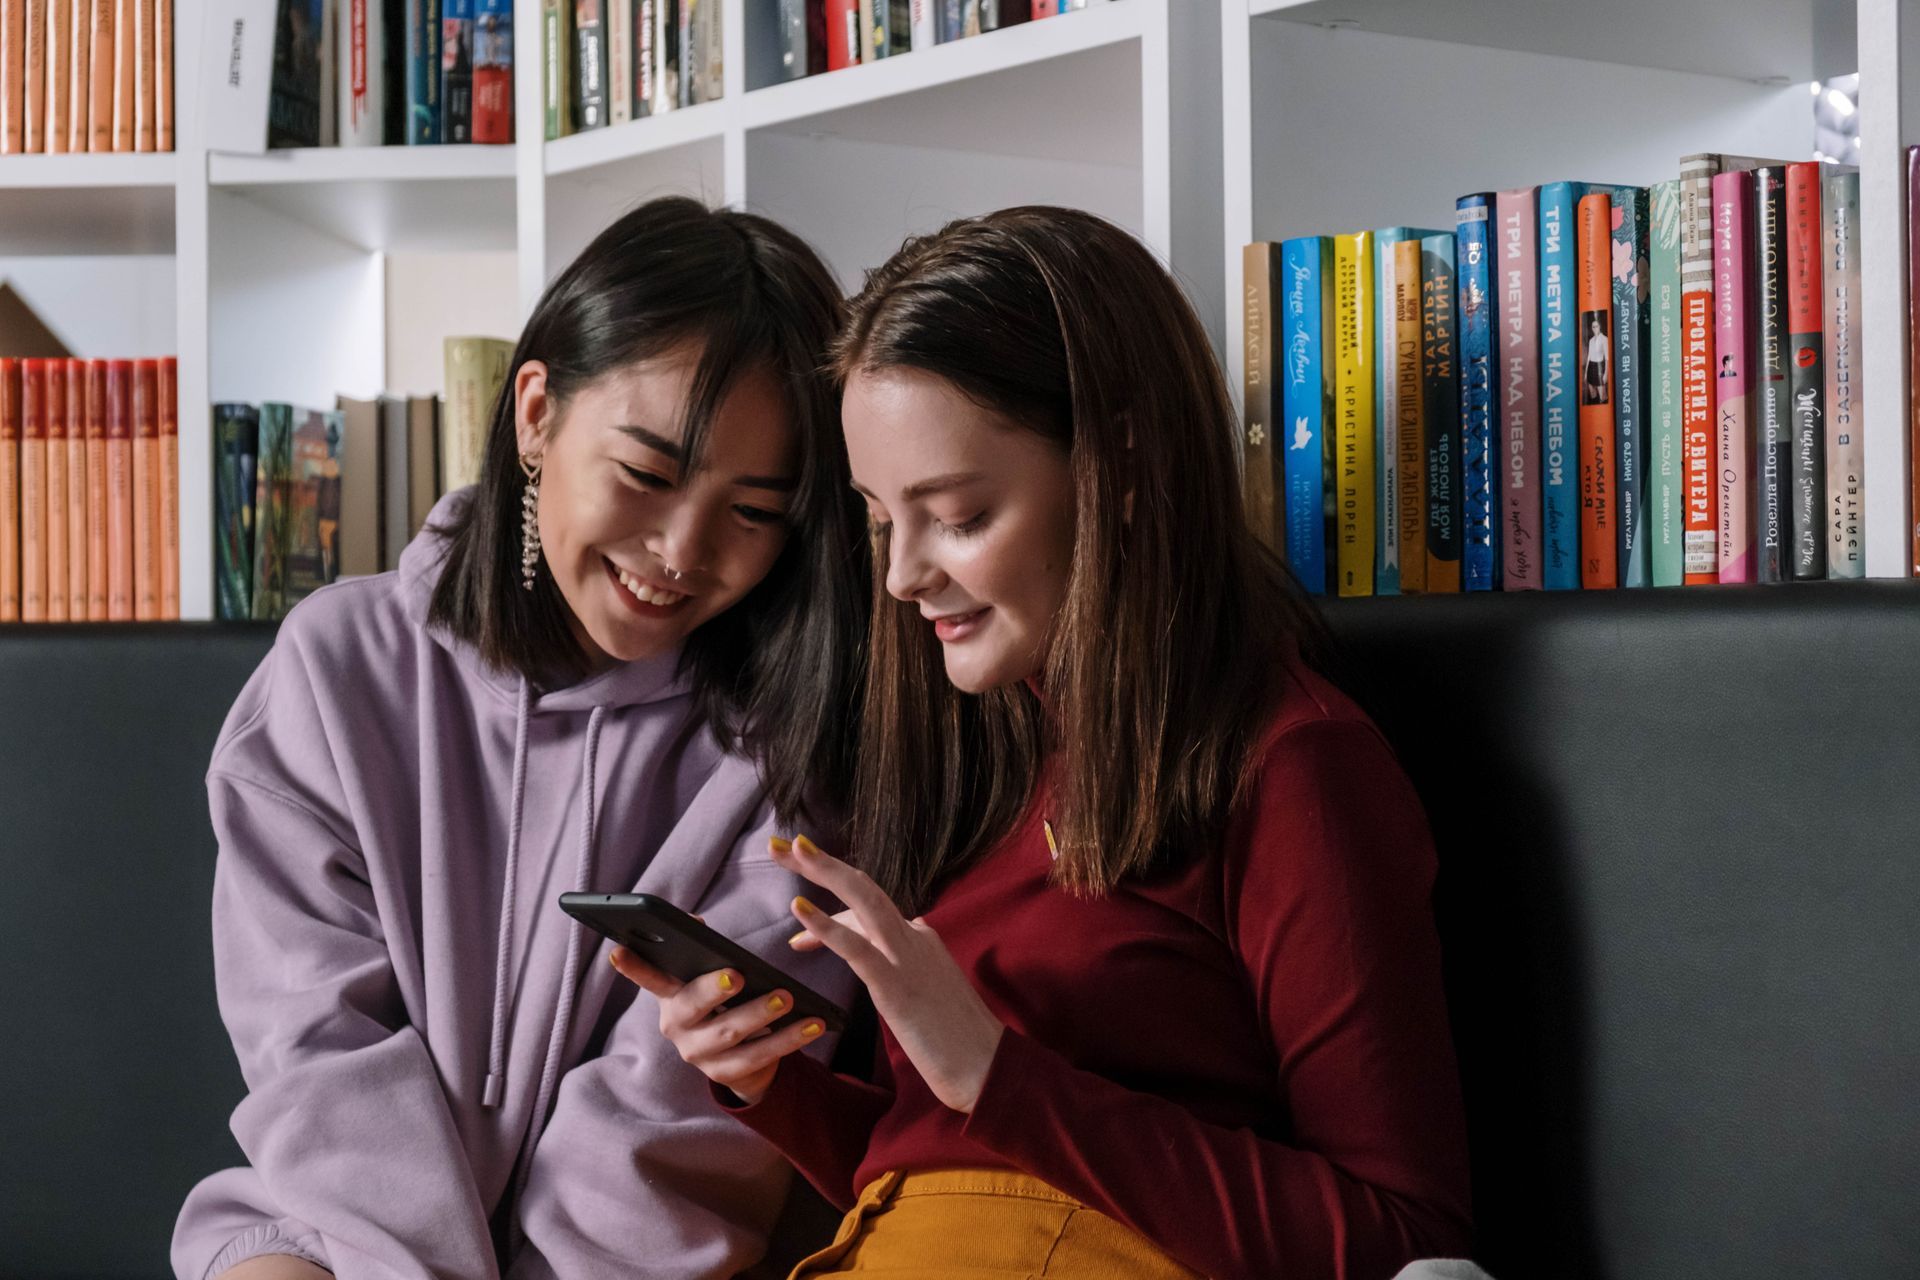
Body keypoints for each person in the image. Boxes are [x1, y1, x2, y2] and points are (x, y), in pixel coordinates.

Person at [614, 206, 1475, 1279]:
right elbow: (943, 1169)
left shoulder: (1295, 768)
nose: (902, 575)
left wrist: (996, 1072)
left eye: (960, 515)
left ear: (1118, 470)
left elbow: (1406, 1236)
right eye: (882, 519)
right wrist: (771, 1082)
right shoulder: (981, 755)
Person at [172, 196, 868, 1280]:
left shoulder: (788, 743)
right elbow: (318, 1056)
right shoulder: (336, 668)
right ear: (536, 412)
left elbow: (670, 1136)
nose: (683, 549)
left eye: (754, 510)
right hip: (337, 1228)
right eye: (646, 473)